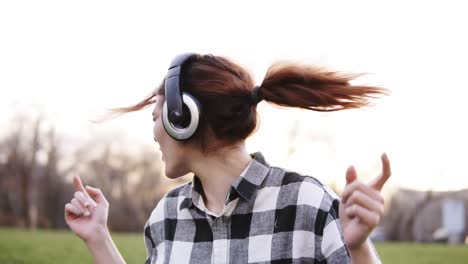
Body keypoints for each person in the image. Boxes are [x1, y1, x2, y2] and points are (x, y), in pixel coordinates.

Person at [65, 53, 391, 263]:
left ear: (183, 118)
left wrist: (359, 248)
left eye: (155, 117)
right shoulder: (166, 217)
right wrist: (98, 237)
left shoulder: (307, 203)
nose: (153, 133)